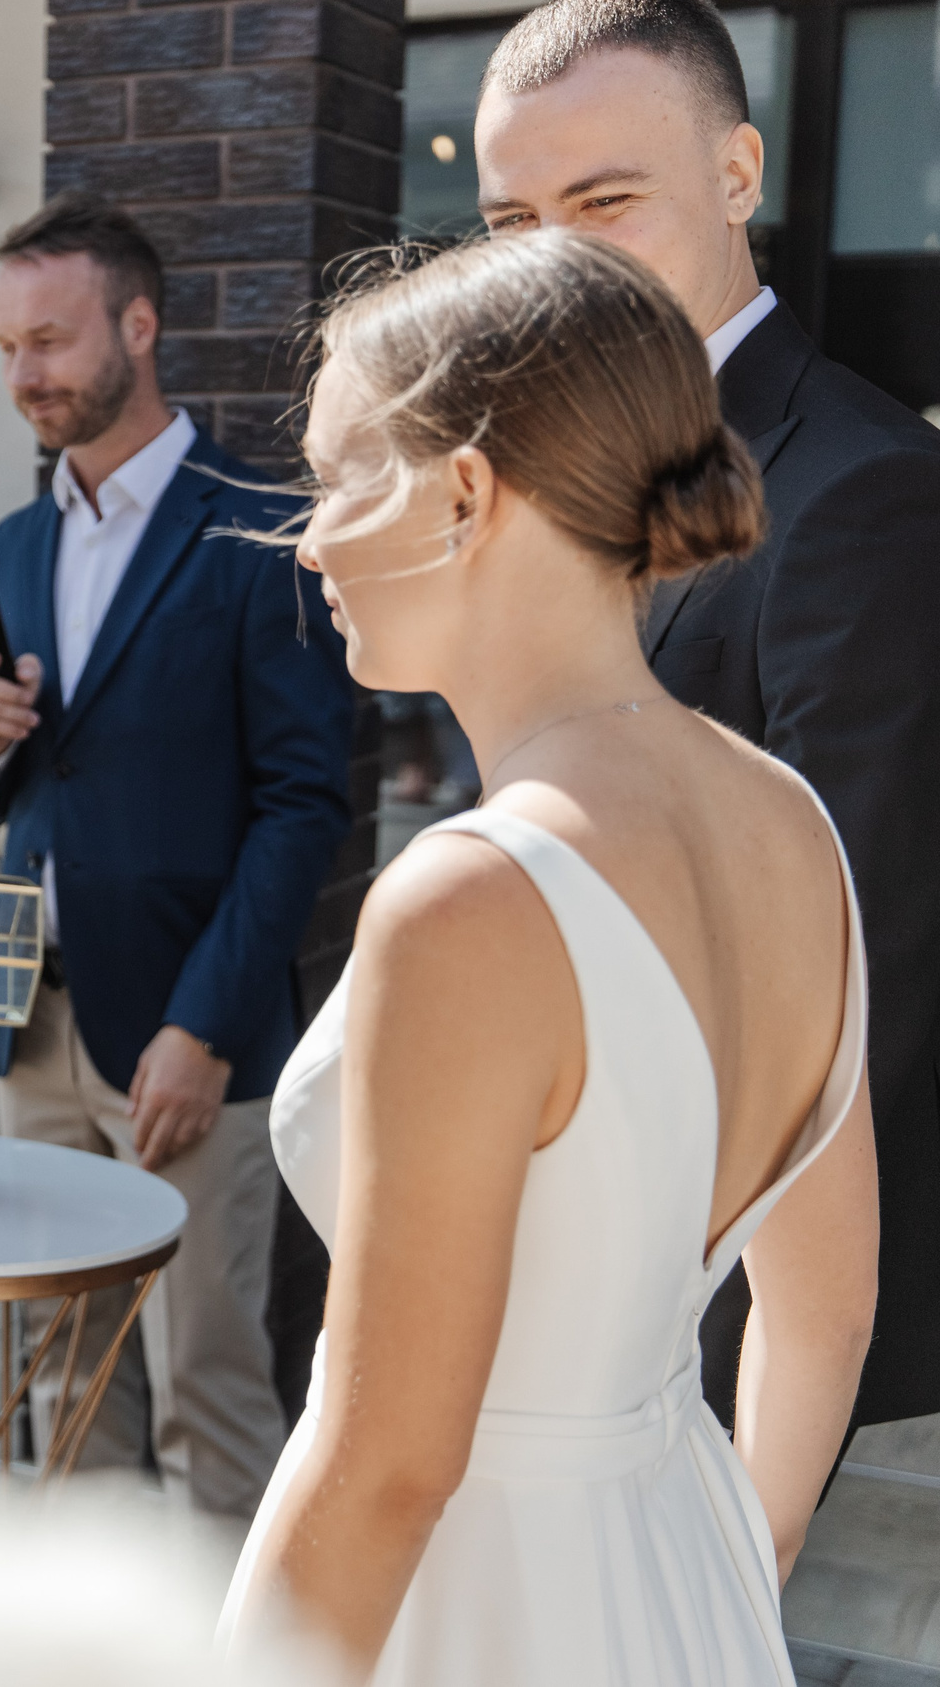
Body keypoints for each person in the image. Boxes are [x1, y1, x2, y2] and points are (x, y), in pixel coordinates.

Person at [218, 231, 875, 1685]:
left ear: (464, 490)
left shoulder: (468, 899)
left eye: (337, 477)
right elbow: (823, 1310)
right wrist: (724, 1579)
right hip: (689, 1572)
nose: (309, 537)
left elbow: (389, 1466)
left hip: (476, 1618)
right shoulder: (794, 822)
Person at [472, 0, 940, 1444]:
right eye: (510, 224)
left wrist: (647, 1291)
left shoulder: (860, 486)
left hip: (733, 1316)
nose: (551, 264)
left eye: (604, 200)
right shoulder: (553, 467)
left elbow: (853, 963)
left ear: (738, 174)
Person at [0, 195, 355, 1515]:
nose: (24, 376)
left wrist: (207, 1024)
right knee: (62, 1373)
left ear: (139, 322)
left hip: (185, 1028)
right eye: (5, 347)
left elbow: (305, 805)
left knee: (207, 1381)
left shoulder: (259, 529)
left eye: (49, 341)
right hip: (27, 1013)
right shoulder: (10, 542)